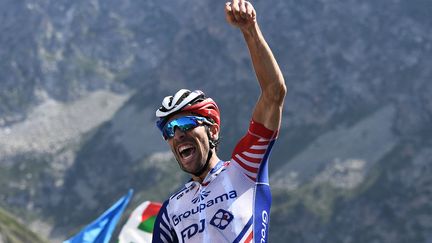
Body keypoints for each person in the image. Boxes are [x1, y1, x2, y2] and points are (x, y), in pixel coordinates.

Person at [152, 0, 286, 242]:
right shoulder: (170, 212)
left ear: (212, 130)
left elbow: (274, 92)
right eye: (170, 130)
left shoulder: (245, 168)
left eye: (185, 124)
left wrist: (250, 30)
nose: (178, 134)